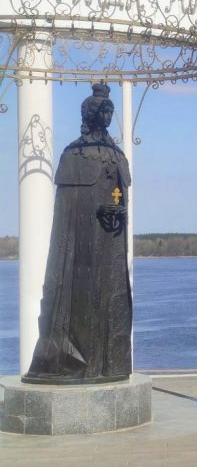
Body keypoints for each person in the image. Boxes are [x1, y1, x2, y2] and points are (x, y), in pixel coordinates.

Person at [23, 83, 132, 384]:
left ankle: (110, 363)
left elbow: (118, 194)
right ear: (92, 114)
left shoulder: (116, 155)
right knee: (83, 296)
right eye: (104, 111)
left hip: (111, 242)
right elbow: (68, 206)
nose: (108, 117)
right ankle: (80, 360)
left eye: (111, 112)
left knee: (112, 295)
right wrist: (95, 210)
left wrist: (117, 210)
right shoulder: (74, 154)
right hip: (82, 243)